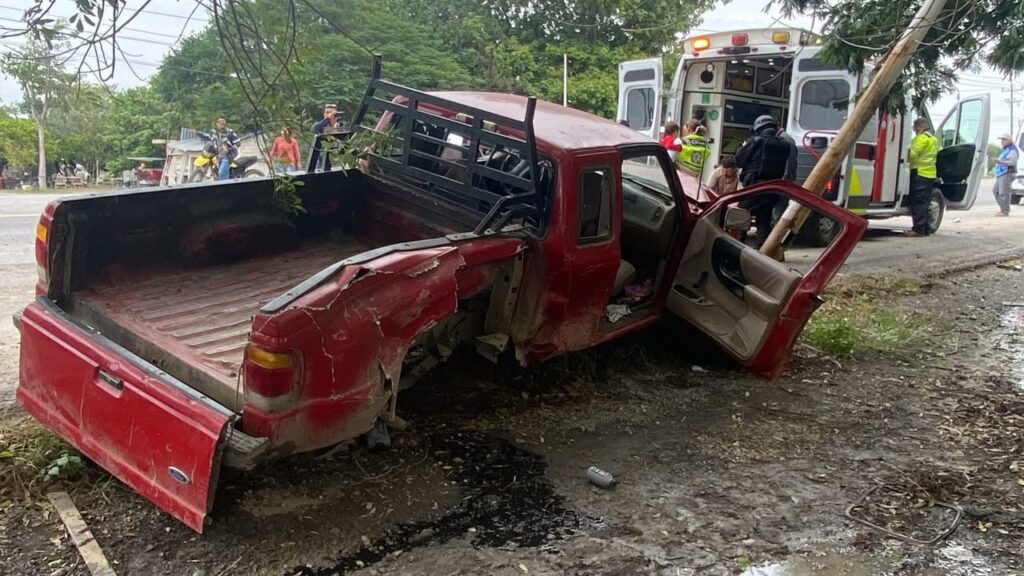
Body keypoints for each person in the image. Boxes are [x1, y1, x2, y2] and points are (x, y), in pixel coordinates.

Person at [734, 115, 793, 247]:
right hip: (773, 189)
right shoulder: (784, 144)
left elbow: (739, 160)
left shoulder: (756, 142)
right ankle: (762, 251)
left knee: (740, 215)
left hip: (755, 187)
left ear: (758, 127)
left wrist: (747, 144)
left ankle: (737, 246)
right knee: (764, 220)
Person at [906, 117, 938, 236]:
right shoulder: (933, 138)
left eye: (914, 127)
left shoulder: (922, 138)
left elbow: (913, 155)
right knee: (924, 202)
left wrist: (903, 152)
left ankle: (918, 229)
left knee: (918, 202)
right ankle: (925, 228)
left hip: (920, 173)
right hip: (929, 174)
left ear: (919, 126)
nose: (914, 130)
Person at [992, 132, 1018, 217]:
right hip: (1001, 173)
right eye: (1001, 140)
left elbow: (1012, 162)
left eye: (1003, 140)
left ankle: (1005, 211)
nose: (1001, 141)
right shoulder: (1005, 149)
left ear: (1008, 140)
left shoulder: (1012, 150)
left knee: (1004, 193)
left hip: (1007, 173)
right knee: (996, 191)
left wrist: (1000, 161)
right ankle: (1003, 209)